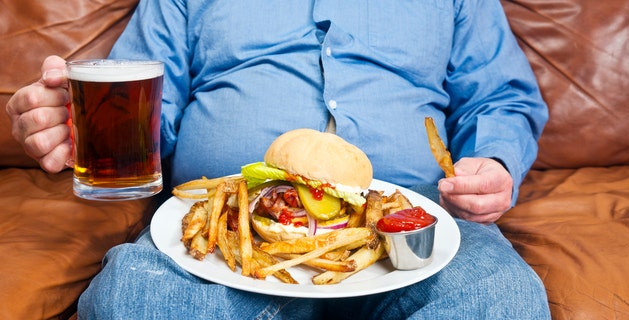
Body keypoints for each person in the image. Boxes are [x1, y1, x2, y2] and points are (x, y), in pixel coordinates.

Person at [6, 0, 551, 319]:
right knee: (136, 300)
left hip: (415, 230)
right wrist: (84, 126)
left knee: (501, 300)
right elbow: (143, 107)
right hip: (224, 239)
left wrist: (495, 161)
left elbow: (500, 97)